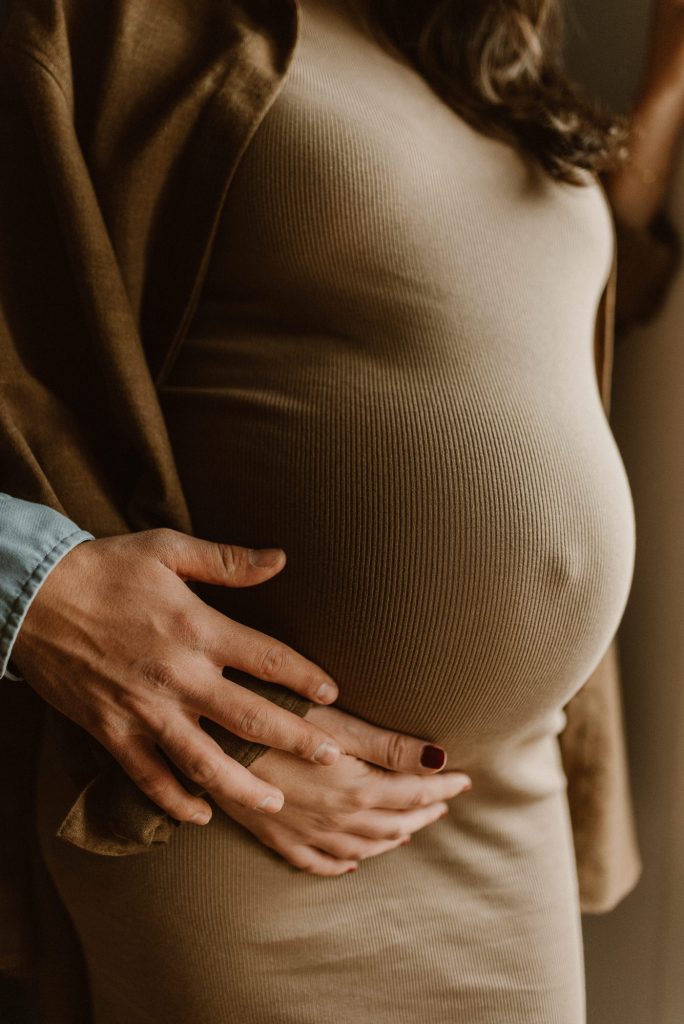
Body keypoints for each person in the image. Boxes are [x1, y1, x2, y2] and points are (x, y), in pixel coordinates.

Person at [0, 0, 682, 1020]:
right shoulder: (102, 21)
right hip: (235, 806)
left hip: (502, 811)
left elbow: (486, 319)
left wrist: (667, 92)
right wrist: (36, 587)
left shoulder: (475, 54)